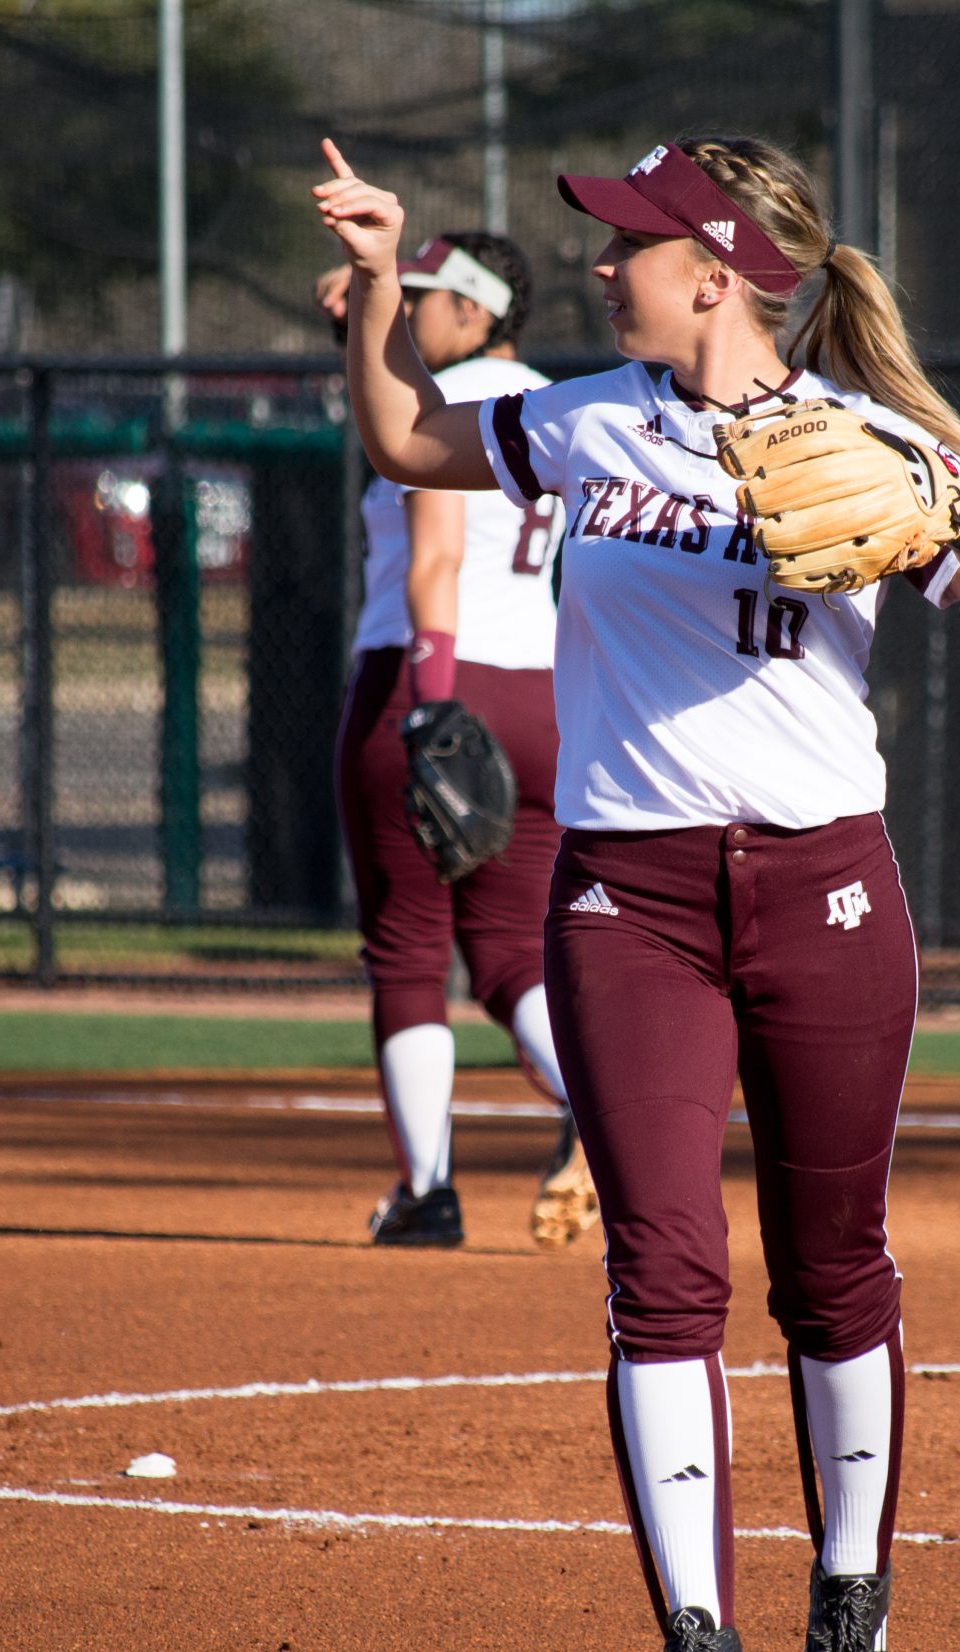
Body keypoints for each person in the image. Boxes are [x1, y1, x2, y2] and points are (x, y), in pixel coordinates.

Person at [315, 135, 960, 1652]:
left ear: (716, 273)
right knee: (661, 1267)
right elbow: (399, 438)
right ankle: (697, 1641)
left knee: (831, 1265)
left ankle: (849, 1611)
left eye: (630, 245)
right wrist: (382, 272)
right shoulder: (587, 419)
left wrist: (946, 498)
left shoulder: (867, 437)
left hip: (826, 888)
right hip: (627, 893)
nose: (601, 268)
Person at [312, 232, 595, 1249]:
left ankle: (427, 1192)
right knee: (516, 952)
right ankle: (601, 1115)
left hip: (430, 677)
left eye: (429, 297)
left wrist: (430, 703)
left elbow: (434, 565)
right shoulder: (564, 405)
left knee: (406, 950)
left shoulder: (440, 408)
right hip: (542, 693)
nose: (413, 311)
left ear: (474, 315)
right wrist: (365, 318)